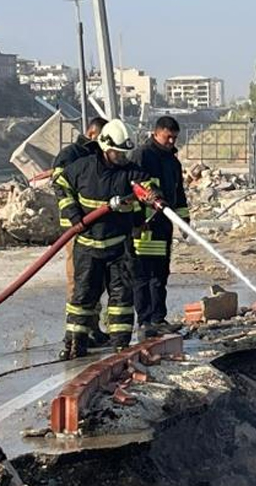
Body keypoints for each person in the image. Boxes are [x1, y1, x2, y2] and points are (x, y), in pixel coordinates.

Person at [54, 119, 157, 359]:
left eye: (124, 154)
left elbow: (147, 185)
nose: (121, 158)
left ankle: (121, 347)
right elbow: (61, 184)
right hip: (87, 246)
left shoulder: (130, 172)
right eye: (117, 153)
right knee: (82, 298)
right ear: (104, 147)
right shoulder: (83, 168)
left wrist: (152, 194)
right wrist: (74, 215)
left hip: (119, 247)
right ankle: (74, 345)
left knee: (121, 299)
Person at [129, 116, 191, 338]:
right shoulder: (142, 156)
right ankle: (145, 321)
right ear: (156, 133)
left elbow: (178, 195)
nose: (172, 142)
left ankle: (158, 319)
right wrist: (139, 219)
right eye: (168, 137)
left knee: (160, 276)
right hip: (144, 227)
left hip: (163, 228)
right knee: (143, 277)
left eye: (175, 138)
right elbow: (134, 186)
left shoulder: (173, 162)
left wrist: (184, 222)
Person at [53, 117, 110, 348]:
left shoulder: (98, 154)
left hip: (96, 228)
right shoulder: (70, 155)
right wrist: (77, 217)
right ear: (92, 133)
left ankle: (92, 327)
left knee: (96, 279)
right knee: (78, 279)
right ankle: (75, 332)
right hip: (75, 229)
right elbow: (60, 187)